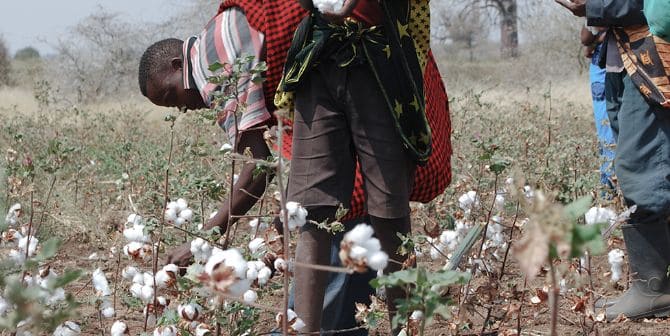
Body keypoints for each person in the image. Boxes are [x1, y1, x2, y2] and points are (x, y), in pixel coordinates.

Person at [138, 0, 452, 332]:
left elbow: (257, 165)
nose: (183, 107)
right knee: (316, 211)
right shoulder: (221, 35)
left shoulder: (210, 67)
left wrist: (205, 238)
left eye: (172, 96)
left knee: (367, 212)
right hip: (322, 69)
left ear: (177, 64)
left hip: (364, 63)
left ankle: (378, 325)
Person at [280, 0, 435, 332]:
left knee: (389, 213)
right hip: (319, 58)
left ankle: (404, 330)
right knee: (312, 211)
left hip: (383, 59)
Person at [557, 0, 670, 321]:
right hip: (626, 56)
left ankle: (654, 290)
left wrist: (596, 5)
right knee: (638, 164)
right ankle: (653, 286)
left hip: (654, 59)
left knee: (642, 169)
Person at [580, 24, 616, 191]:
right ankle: (613, 191)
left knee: (606, 133)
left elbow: (586, 39)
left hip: (601, 64)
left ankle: (609, 192)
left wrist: (594, 42)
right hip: (615, 58)